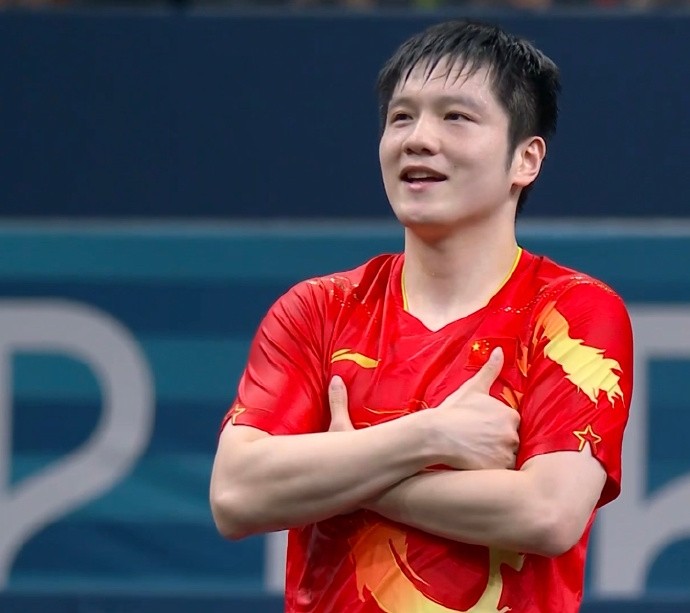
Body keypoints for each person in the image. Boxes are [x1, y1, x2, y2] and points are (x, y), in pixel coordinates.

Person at [210, 19, 633, 613]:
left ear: (525, 159)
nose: (417, 139)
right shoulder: (318, 310)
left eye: (455, 117)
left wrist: (345, 470)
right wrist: (430, 436)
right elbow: (235, 495)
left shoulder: (572, 311)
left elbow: (547, 513)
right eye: (401, 117)